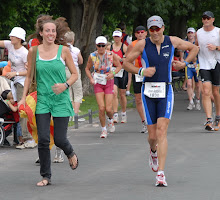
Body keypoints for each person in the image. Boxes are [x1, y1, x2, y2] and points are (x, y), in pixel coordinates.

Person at [123, 15, 199, 187]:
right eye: (152, 29)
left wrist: (184, 63)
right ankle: (153, 150)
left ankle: (161, 174)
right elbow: (126, 63)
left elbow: (194, 48)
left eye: (158, 28)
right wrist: (141, 71)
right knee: (152, 136)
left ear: (163, 28)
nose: (155, 32)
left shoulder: (172, 41)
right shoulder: (142, 44)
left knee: (161, 131)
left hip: (166, 89)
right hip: (148, 91)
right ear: (149, 31)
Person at [18, 16, 79, 186]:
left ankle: (70, 153)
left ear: (55, 33)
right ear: (41, 33)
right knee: (43, 139)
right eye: (47, 31)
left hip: (60, 99)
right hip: (43, 100)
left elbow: (75, 74)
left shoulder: (64, 51)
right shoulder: (34, 52)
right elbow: (29, 76)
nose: (51, 33)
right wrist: (23, 98)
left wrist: (65, 85)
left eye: (53, 31)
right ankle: (46, 176)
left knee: (59, 139)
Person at [0, 27, 36, 149]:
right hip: (14, 81)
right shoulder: (10, 45)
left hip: (22, 81)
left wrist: (15, 74)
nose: (10, 37)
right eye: (10, 36)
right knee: (8, 97)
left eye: (13, 36)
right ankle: (22, 137)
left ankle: (28, 138)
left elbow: (29, 71)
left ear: (20, 39)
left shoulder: (24, 53)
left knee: (22, 109)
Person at [85, 36, 122, 138]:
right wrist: (91, 79)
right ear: (96, 46)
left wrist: (113, 73)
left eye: (103, 46)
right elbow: (87, 69)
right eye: (99, 46)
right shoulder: (92, 56)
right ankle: (103, 129)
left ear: (106, 46)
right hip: (98, 82)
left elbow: (119, 66)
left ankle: (110, 120)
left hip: (108, 81)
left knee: (109, 109)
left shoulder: (111, 55)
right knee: (101, 108)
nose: (101, 48)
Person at [196, 11, 220, 131]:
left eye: (208, 18)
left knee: (215, 92)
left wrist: (216, 47)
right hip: (204, 63)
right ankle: (208, 119)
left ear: (213, 19)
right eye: (204, 18)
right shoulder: (198, 33)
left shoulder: (218, 31)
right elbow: (195, 47)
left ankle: (218, 116)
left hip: (216, 62)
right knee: (205, 91)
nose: (206, 20)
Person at [126, 25, 148, 133]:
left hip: (148, 73)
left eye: (142, 32)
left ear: (146, 33)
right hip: (137, 73)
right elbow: (127, 59)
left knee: (149, 97)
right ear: (135, 34)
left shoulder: (150, 43)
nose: (140, 34)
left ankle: (152, 121)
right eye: (138, 32)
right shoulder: (132, 45)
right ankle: (144, 121)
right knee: (139, 99)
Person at [64, 31, 84, 121]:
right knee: (77, 92)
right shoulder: (76, 50)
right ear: (73, 40)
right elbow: (81, 61)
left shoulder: (62, 49)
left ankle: (69, 113)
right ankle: (75, 114)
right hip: (74, 70)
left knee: (68, 92)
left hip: (64, 70)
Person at [110, 30, 128, 123]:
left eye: (118, 37)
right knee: (114, 92)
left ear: (121, 38)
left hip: (122, 71)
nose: (116, 39)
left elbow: (127, 59)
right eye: (115, 37)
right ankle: (115, 114)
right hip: (113, 71)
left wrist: (119, 58)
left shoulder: (124, 47)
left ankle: (124, 113)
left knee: (122, 94)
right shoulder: (110, 47)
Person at [183, 27, 201, 110]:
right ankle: (191, 102)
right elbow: (181, 52)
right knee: (189, 84)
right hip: (188, 65)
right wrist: (182, 62)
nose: (190, 34)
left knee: (197, 84)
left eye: (192, 33)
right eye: (189, 33)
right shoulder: (185, 42)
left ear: (194, 34)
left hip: (196, 65)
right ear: (187, 34)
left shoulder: (197, 42)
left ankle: (197, 100)